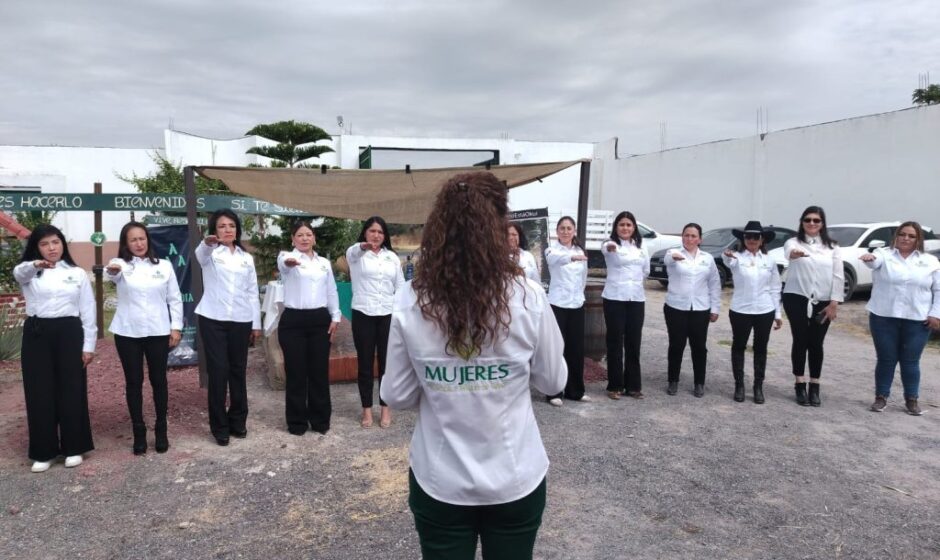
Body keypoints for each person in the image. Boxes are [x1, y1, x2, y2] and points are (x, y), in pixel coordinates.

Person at [381, 171, 567, 560]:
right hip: (515, 476)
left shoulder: (411, 298)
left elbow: (395, 396)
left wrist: (440, 380)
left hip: (439, 480)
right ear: (499, 228)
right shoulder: (529, 296)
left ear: (439, 229)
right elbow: (553, 381)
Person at [14, 225, 96, 472]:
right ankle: (44, 451)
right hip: (37, 333)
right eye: (45, 244)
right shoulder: (29, 271)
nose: (51, 248)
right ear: (36, 248)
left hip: (69, 332)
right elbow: (19, 273)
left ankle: (74, 447)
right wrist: (35, 265)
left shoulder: (77, 273)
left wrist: (88, 346)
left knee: (71, 389)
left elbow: (88, 310)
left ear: (63, 244)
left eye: (56, 242)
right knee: (39, 392)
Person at [106, 222, 184, 454]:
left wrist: (176, 327)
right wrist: (113, 271)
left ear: (148, 240)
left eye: (142, 238)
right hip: (128, 332)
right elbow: (112, 273)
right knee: (134, 381)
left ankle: (161, 429)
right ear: (125, 244)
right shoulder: (121, 265)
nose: (139, 244)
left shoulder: (165, 266)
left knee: (159, 380)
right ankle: (138, 431)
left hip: (158, 331)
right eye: (133, 240)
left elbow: (175, 299)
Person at [194, 209, 261, 446]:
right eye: (222, 226)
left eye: (231, 225)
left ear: (237, 230)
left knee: (237, 371)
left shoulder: (246, 257)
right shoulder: (210, 252)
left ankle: (238, 420)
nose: (227, 230)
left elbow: (252, 291)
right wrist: (206, 243)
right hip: (213, 318)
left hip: (241, 320)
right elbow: (200, 255)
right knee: (219, 371)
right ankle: (219, 426)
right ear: (215, 230)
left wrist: (256, 323)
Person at [860, 222, 940, 415]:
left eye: (911, 236)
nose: (906, 238)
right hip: (884, 317)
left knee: (910, 361)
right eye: (902, 234)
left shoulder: (930, 261)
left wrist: (936, 313)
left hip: (917, 319)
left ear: (918, 239)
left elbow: (938, 289)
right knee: (886, 359)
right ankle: (881, 397)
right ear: (895, 236)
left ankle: (911, 399)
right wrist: (869, 258)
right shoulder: (884, 254)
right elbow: (873, 261)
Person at [279, 220, 341, 435]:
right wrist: (290, 262)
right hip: (293, 322)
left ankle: (321, 420)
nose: (304, 238)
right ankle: (297, 423)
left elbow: (331, 290)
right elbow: (285, 263)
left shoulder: (324, 263)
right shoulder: (287, 257)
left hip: (319, 321)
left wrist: (335, 316)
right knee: (296, 373)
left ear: (314, 238)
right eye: (300, 235)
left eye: (308, 234)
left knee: (319, 373)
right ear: (293, 239)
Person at [782, 206, 843, 407]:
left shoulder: (832, 247)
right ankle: (799, 383)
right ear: (802, 222)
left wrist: (834, 302)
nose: (812, 223)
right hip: (796, 298)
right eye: (808, 220)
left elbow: (838, 275)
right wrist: (795, 254)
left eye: (816, 220)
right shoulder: (793, 242)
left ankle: (814, 385)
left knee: (816, 342)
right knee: (800, 339)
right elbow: (789, 253)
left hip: (824, 301)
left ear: (822, 224)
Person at [346, 217, 402, 429]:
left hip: (387, 314)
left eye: (380, 232)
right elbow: (353, 251)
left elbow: (400, 287)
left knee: (387, 364)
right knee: (365, 363)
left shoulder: (392, 258)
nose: (376, 235)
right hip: (363, 313)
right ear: (365, 233)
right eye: (372, 231)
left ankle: (386, 409)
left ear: (385, 235)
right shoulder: (356, 255)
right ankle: (367, 410)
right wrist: (363, 246)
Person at [722, 221, 783, 404]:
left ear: (762, 239)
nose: (752, 240)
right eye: (748, 236)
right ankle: (739, 385)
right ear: (743, 239)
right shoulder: (736, 258)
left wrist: (778, 314)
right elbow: (728, 261)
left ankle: (758, 386)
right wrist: (727, 256)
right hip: (741, 310)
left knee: (760, 349)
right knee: (739, 346)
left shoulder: (770, 260)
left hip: (765, 310)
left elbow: (775, 288)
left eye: (756, 236)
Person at [663, 223, 721, 397]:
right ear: (682, 237)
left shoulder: (707, 258)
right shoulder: (673, 253)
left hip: (700, 308)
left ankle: (699, 383)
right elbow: (668, 259)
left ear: (699, 239)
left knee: (699, 347)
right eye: (686, 235)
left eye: (693, 236)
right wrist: (675, 257)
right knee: (676, 345)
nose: (689, 239)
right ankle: (673, 380)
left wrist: (715, 307)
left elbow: (714, 283)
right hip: (676, 307)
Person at [601, 211, 649, 400]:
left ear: (634, 227)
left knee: (633, 342)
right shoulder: (609, 244)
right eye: (622, 225)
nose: (625, 228)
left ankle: (633, 386)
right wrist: (612, 246)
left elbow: (646, 270)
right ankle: (615, 386)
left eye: (629, 225)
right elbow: (607, 248)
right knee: (615, 342)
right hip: (614, 298)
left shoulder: (641, 247)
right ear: (616, 227)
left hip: (636, 299)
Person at [544, 216, 590, 405]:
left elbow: (583, 278)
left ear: (574, 231)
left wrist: (579, 295)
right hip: (557, 304)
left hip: (576, 304)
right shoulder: (551, 250)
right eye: (562, 228)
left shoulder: (580, 250)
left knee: (576, 349)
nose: (565, 231)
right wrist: (571, 257)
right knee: (556, 349)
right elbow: (555, 260)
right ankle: (554, 392)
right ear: (557, 232)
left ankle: (575, 391)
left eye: (568, 228)